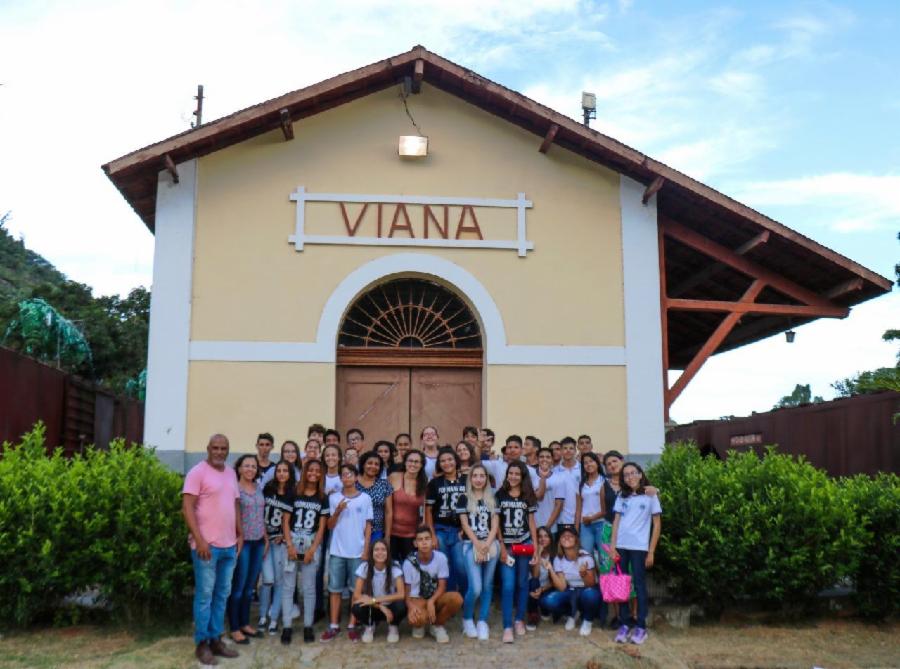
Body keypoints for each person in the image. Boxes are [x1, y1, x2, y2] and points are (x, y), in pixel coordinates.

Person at [182, 434, 242, 665]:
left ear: (228, 450)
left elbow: (235, 504)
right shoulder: (197, 472)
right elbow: (187, 507)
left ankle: (216, 639)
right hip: (207, 548)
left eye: (223, 448)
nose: (219, 451)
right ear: (208, 449)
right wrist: (200, 539)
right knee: (205, 596)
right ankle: (202, 644)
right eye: (215, 448)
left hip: (229, 547)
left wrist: (241, 533)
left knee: (221, 595)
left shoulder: (230, 473)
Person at [610, 462, 662, 646]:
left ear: (640, 474)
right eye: (626, 475)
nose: (630, 477)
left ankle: (641, 627)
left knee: (639, 587)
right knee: (622, 586)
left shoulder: (650, 495)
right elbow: (616, 522)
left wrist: (651, 551)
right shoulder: (621, 496)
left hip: (639, 548)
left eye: (633, 473)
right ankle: (624, 624)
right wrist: (613, 546)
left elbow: (657, 524)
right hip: (621, 547)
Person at [321, 464, 373, 642]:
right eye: (344, 475)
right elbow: (329, 526)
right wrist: (337, 511)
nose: (347, 477)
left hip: (357, 552)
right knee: (334, 590)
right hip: (337, 551)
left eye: (350, 474)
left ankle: (352, 624)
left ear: (356, 477)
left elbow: (368, 526)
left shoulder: (365, 498)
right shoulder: (334, 498)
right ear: (340, 478)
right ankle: (334, 625)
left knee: (355, 591)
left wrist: (366, 550)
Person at [282, 458, 328, 644]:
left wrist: (313, 549)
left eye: (317, 471)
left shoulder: (322, 497)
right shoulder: (293, 493)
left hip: (310, 543)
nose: (313, 473)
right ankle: (286, 626)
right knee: (288, 587)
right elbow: (286, 521)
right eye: (310, 470)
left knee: (309, 588)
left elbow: (322, 527)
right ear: (305, 472)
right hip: (294, 541)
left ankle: (308, 625)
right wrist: (289, 545)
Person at [495, 460, 539, 643]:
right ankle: (507, 626)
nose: (513, 477)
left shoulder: (528, 495)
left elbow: (531, 523)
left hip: (524, 543)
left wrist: (536, 547)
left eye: (517, 474)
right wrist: (502, 547)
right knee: (507, 585)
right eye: (510, 473)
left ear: (522, 477)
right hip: (507, 545)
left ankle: (519, 619)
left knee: (522, 583)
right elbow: (496, 523)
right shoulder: (500, 494)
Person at [227, 454, 267, 645]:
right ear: (240, 468)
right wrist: (239, 536)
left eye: (253, 466)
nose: (250, 469)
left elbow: (261, 515)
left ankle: (245, 623)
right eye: (247, 466)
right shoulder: (234, 488)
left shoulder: (258, 488)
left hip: (258, 542)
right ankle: (234, 627)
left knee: (250, 587)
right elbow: (232, 516)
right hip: (243, 543)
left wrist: (266, 537)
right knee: (239, 587)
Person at [457, 464, 498, 641]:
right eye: (475, 476)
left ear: (486, 479)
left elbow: (495, 524)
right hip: (470, 544)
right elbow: (465, 524)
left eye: (482, 476)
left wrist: (486, 544)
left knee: (488, 585)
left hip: (490, 544)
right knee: (476, 587)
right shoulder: (464, 498)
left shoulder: (493, 498)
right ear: (470, 478)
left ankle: (482, 620)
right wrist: (478, 544)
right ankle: (467, 619)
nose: (479, 479)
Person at [403, 525, 463, 643]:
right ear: (415, 543)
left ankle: (437, 625)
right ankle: (420, 625)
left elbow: (442, 586)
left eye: (427, 539)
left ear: (432, 540)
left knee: (457, 599)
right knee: (417, 619)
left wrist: (431, 601)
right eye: (420, 540)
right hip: (417, 599)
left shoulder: (441, 558)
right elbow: (407, 593)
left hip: (435, 597)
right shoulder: (408, 562)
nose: (424, 543)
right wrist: (411, 608)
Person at [540, 526, 601, 636]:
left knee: (591, 595)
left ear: (576, 540)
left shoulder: (585, 556)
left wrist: (583, 574)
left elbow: (591, 584)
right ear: (560, 541)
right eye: (563, 536)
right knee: (548, 601)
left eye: (570, 536)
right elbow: (562, 587)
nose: (566, 538)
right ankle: (572, 613)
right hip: (570, 591)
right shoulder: (559, 559)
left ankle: (587, 620)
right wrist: (550, 569)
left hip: (585, 590)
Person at [259, 461, 295, 635]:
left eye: (285, 471)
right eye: (279, 470)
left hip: (279, 542)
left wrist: (285, 536)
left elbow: (293, 521)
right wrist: (264, 534)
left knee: (280, 581)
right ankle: (262, 616)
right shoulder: (267, 489)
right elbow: (258, 512)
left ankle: (274, 618)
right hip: (265, 540)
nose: (281, 473)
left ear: (290, 474)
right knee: (267, 580)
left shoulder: (293, 494)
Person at [425, 447, 467, 594]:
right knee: (445, 565)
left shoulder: (466, 481)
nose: (446, 463)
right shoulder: (434, 483)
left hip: (459, 530)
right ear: (439, 464)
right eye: (442, 460)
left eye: (450, 459)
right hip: (440, 529)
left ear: (456, 461)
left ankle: (463, 596)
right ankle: (449, 598)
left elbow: (473, 505)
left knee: (461, 565)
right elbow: (428, 510)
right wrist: (432, 534)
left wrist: (466, 528)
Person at [351, 538, 406, 644]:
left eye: (383, 549)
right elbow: (357, 595)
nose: (380, 553)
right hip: (373, 607)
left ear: (388, 552)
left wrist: (376, 599)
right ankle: (369, 625)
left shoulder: (394, 567)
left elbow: (401, 594)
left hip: (390, 607)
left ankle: (393, 626)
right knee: (356, 607)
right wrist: (379, 605)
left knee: (401, 606)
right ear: (371, 553)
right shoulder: (364, 567)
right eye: (376, 550)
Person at [387, 450, 427, 562]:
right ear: (405, 462)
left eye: (417, 462)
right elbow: (387, 510)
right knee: (392, 567)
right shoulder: (394, 477)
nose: (413, 464)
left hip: (411, 535)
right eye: (410, 461)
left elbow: (424, 512)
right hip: (392, 532)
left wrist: (420, 536)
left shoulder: (424, 483)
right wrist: (387, 536)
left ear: (421, 465)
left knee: (410, 567)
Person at [576, 452, 607, 567]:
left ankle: (606, 584)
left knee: (604, 558)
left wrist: (592, 518)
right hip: (585, 526)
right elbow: (578, 508)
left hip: (601, 524)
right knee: (585, 558)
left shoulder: (605, 481)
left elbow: (606, 509)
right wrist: (576, 528)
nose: (588, 464)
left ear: (597, 463)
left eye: (591, 461)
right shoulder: (581, 484)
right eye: (585, 463)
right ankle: (590, 584)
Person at [356, 451, 394, 541]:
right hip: (355, 530)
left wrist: (387, 536)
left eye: (377, 464)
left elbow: (388, 512)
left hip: (376, 532)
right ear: (363, 464)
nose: (373, 466)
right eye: (369, 463)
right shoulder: (353, 482)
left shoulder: (384, 485)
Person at [552, 437, 580, 538]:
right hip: (560, 520)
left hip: (580, 520)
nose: (568, 451)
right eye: (565, 448)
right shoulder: (554, 471)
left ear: (575, 450)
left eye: (571, 448)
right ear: (561, 451)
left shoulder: (582, 469)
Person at [527, 526, 554, 629]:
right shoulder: (531, 553)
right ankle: (533, 615)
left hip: (546, 588)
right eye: (540, 536)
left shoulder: (554, 555)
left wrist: (542, 589)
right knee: (534, 582)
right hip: (532, 587)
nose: (543, 539)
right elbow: (535, 575)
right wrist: (538, 553)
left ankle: (544, 609)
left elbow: (553, 582)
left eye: (546, 536)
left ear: (550, 539)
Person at [533, 447, 564, 536]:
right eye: (541, 457)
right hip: (533, 526)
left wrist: (547, 527)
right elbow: (536, 498)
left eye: (548, 457)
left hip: (551, 527)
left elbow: (558, 505)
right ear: (537, 459)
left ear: (552, 459)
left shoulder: (559, 478)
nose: (544, 459)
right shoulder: (531, 475)